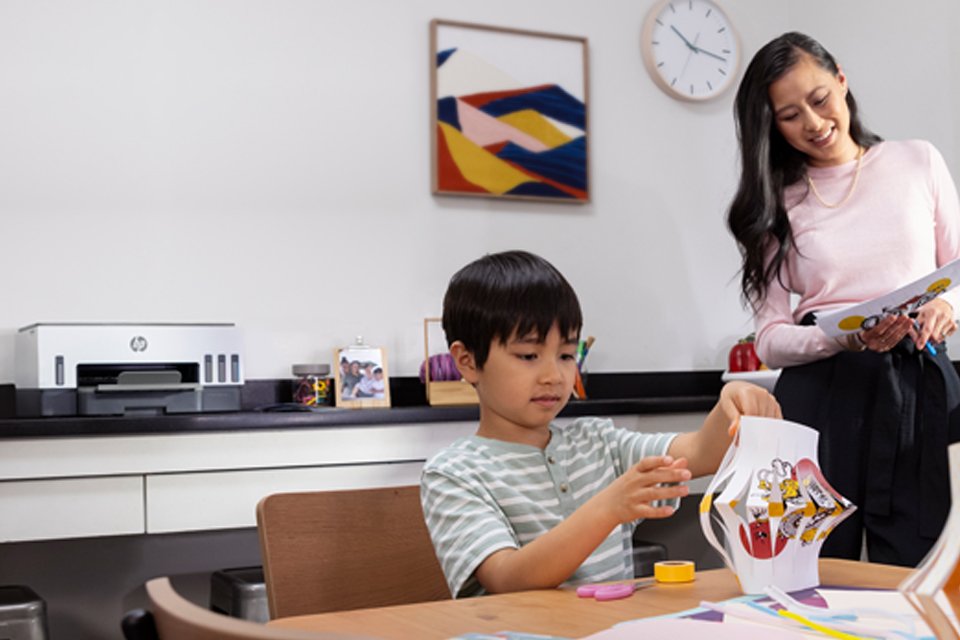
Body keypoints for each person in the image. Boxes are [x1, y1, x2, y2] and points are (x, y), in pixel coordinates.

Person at [420, 250, 782, 597]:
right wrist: (607, 508)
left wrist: (731, 403)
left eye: (566, 355)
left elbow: (701, 453)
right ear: (466, 361)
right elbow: (507, 578)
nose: (554, 375)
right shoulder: (453, 474)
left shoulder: (598, 441)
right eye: (528, 355)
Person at [726, 32, 960, 566]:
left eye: (818, 98)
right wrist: (838, 337)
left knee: (921, 562)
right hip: (823, 393)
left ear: (841, 80)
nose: (812, 122)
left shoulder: (917, 162)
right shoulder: (774, 205)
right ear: (772, 126)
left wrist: (949, 307)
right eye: (789, 115)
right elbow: (770, 337)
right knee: (807, 561)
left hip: (918, 379)